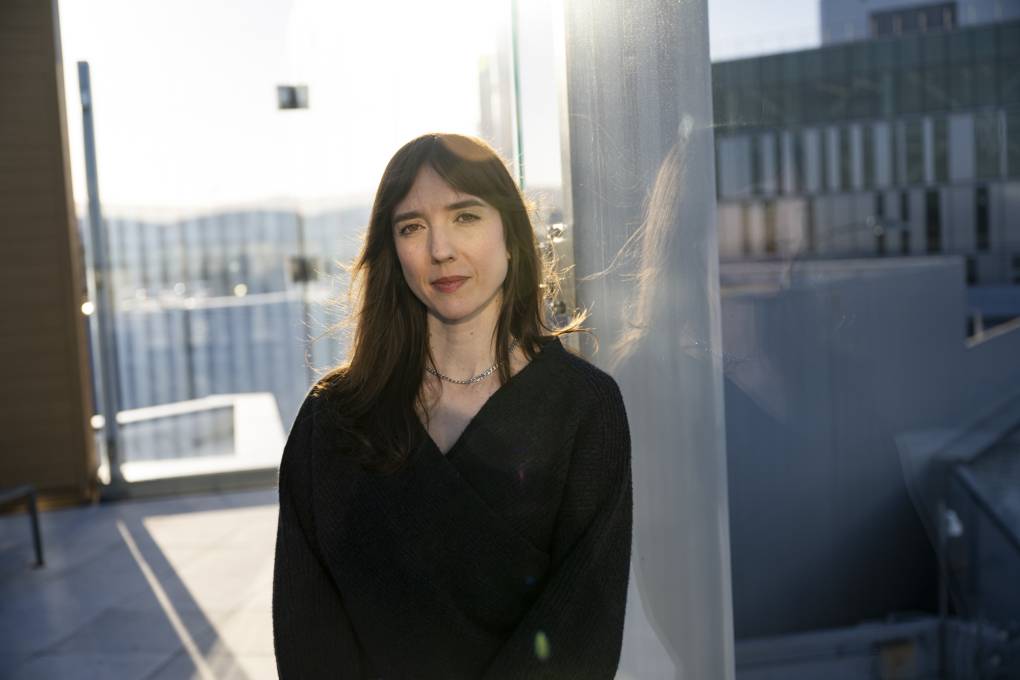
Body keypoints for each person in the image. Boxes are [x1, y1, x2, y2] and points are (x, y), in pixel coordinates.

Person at [272, 132, 633, 679]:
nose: (440, 249)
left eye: (465, 216)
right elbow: (307, 635)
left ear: (511, 235)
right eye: (412, 227)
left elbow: (584, 631)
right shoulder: (334, 419)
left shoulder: (585, 408)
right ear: (392, 251)